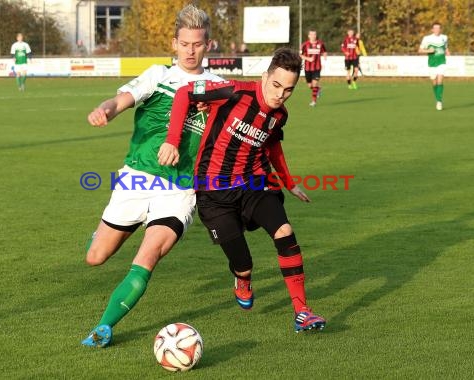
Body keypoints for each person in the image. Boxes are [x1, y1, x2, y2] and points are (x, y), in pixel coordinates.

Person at [80, 4, 222, 348]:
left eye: (198, 43)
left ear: (209, 45)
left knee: (146, 257)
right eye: (185, 43)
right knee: (95, 257)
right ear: (174, 43)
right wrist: (105, 111)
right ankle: (101, 232)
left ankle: (103, 327)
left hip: (180, 191)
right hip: (137, 179)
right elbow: (120, 100)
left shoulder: (219, 87)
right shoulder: (157, 75)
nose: (191, 51)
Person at [158, 48, 326, 333]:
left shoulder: (279, 115)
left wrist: (288, 181)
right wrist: (172, 140)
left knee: (284, 231)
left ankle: (302, 312)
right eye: (276, 85)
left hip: (255, 184)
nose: (280, 95)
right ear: (264, 77)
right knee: (243, 264)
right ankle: (243, 279)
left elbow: (273, 146)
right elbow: (185, 93)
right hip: (213, 192)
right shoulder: (233, 91)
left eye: (288, 90)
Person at [418, 22, 450, 111]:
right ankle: (437, 99)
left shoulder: (444, 37)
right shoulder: (427, 38)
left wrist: (447, 51)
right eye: (435, 28)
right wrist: (429, 50)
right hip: (432, 63)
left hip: (442, 62)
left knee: (440, 80)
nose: (437, 30)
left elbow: (445, 47)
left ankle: (439, 101)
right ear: (432, 30)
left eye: (438, 28)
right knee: (434, 82)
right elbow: (420, 50)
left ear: (441, 29)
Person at [300, 29, 327, 106]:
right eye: (311, 34)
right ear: (308, 36)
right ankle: (319, 89)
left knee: (314, 84)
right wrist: (308, 59)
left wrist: (325, 55)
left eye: (314, 34)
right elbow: (300, 55)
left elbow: (324, 51)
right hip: (308, 68)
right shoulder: (305, 45)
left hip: (317, 68)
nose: (313, 36)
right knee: (310, 85)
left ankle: (313, 101)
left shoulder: (320, 44)